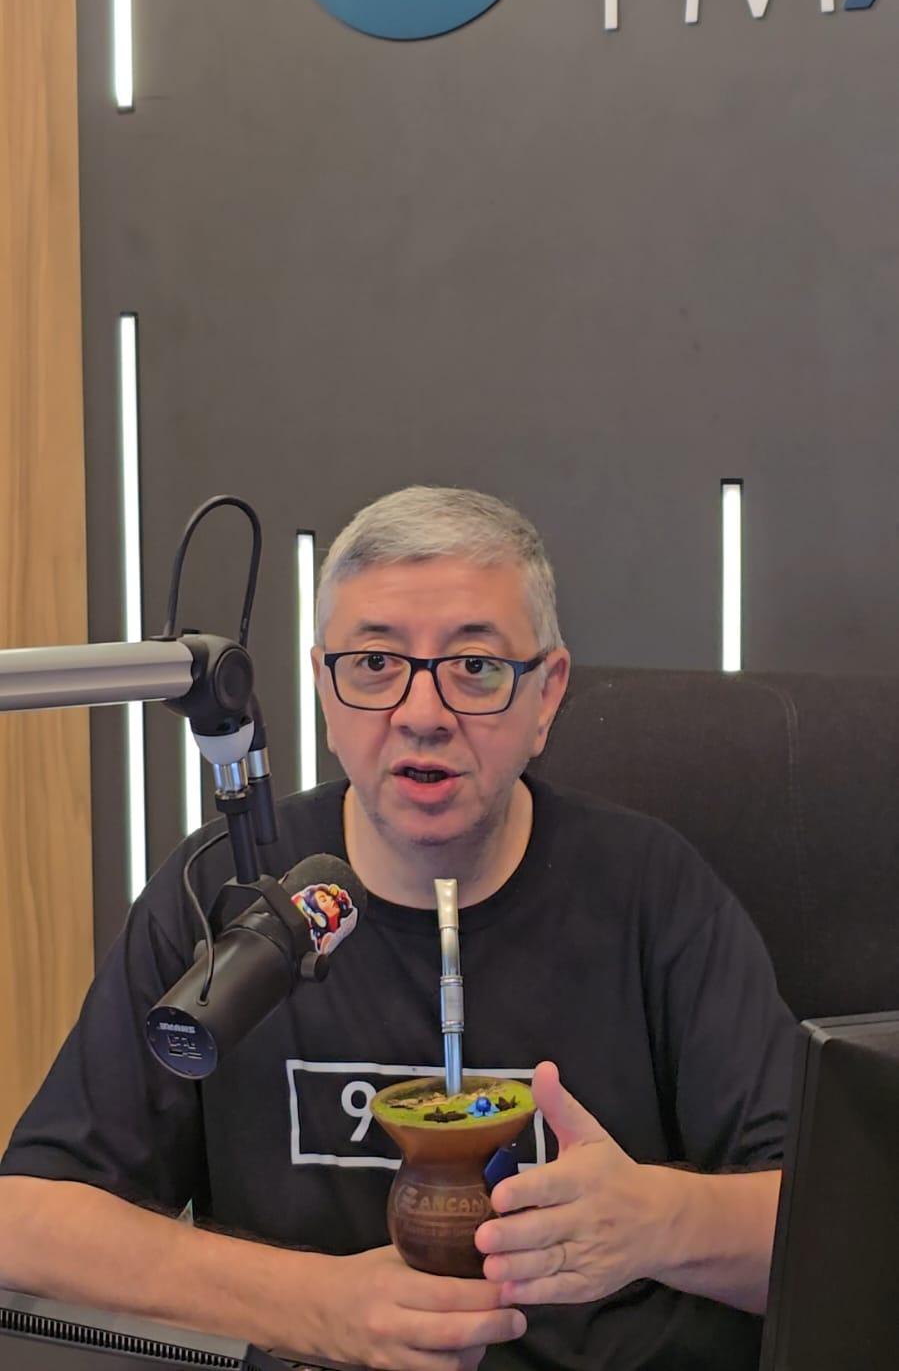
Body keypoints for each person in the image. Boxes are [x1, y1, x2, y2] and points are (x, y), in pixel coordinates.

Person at [0, 485, 796, 1371]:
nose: (422, 712)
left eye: (475, 666)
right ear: (323, 686)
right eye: (375, 662)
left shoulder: (652, 891)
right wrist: (313, 1304)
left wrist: (658, 1223)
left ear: (546, 694)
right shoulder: (224, 891)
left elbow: (838, 1227)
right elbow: (28, 1221)